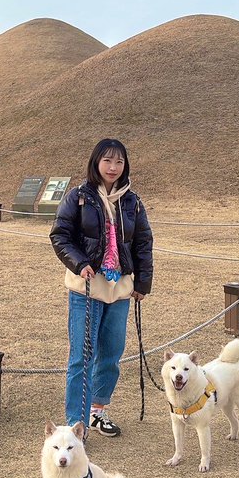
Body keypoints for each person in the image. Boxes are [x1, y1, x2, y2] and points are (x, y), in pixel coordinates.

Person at [49, 138, 154, 436]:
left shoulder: (132, 201)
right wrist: (79, 262)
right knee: (82, 355)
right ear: (96, 162)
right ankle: (74, 424)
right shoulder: (78, 197)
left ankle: (97, 411)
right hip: (86, 286)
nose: (113, 167)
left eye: (119, 161)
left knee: (111, 353)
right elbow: (60, 235)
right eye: (107, 160)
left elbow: (143, 243)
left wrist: (142, 282)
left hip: (119, 288)